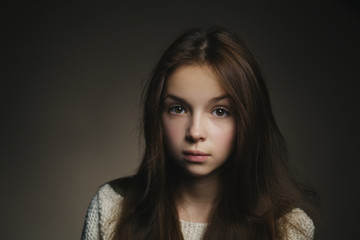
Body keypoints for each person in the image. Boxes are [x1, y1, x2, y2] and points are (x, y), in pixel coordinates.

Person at [81, 26, 318, 240]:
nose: (195, 132)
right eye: (178, 109)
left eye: (220, 111)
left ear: (249, 120)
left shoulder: (287, 228)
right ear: (157, 115)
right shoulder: (112, 206)